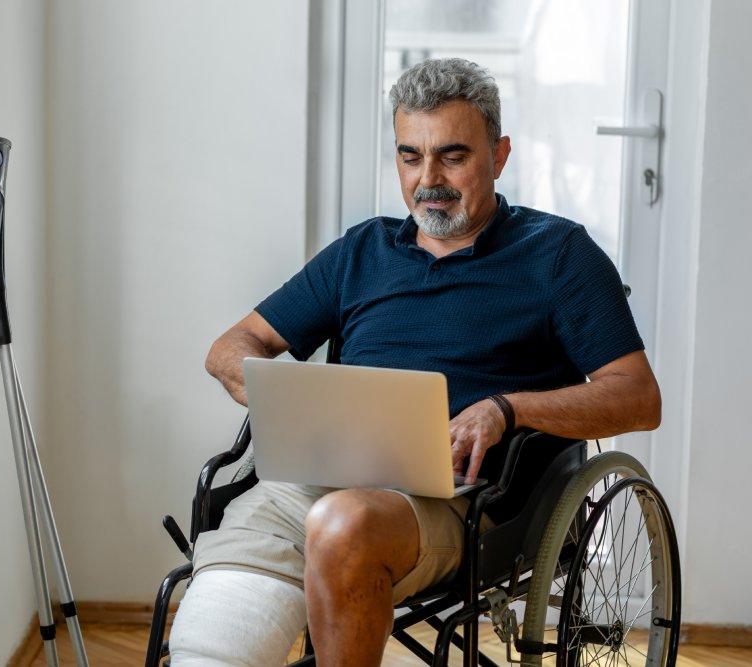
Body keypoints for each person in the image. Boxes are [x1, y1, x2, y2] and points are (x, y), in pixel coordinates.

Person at [169, 58, 661, 667]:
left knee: (344, 523)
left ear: (499, 155)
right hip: (315, 475)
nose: (428, 178)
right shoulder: (361, 251)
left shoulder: (558, 254)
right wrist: (284, 391)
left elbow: (638, 397)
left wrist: (507, 410)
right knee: (211, 646)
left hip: (462, 501)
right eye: (410, 156)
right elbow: (231, 347)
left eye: (452, 156)